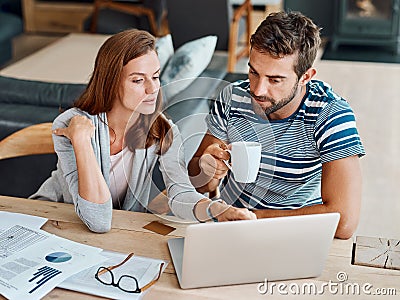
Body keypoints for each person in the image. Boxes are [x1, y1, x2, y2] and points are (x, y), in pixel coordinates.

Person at [31, 29, 255, 233]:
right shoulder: (71, 125)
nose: (152, 89)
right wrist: (80, 141)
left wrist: (218, 211)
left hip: (114, 231)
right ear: (110, 82)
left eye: (156, 77)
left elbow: (180, 193)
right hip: (49, 221)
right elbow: (97, 220)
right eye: (138, 80)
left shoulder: (162, 129)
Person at [188, 11, 365, 239]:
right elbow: (197, 184)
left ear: (305, 77)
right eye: (253, 72)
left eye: (275, 80)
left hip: (297, 231)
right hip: (232, 227)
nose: (258, 90)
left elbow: (344, 222)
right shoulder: (232, 98)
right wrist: (207, 170)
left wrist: (254, 218)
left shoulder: (330, 113)